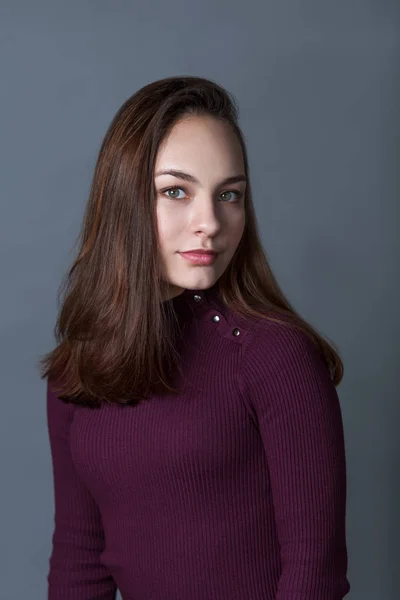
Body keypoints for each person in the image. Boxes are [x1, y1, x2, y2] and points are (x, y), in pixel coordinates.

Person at [39, 75, 351, 600]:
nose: (210, 222)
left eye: (229, 194)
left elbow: (314, 575)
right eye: (176, 191)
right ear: (124, 202)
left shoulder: (274, 356)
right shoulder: (80, 366)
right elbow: (79, 559)